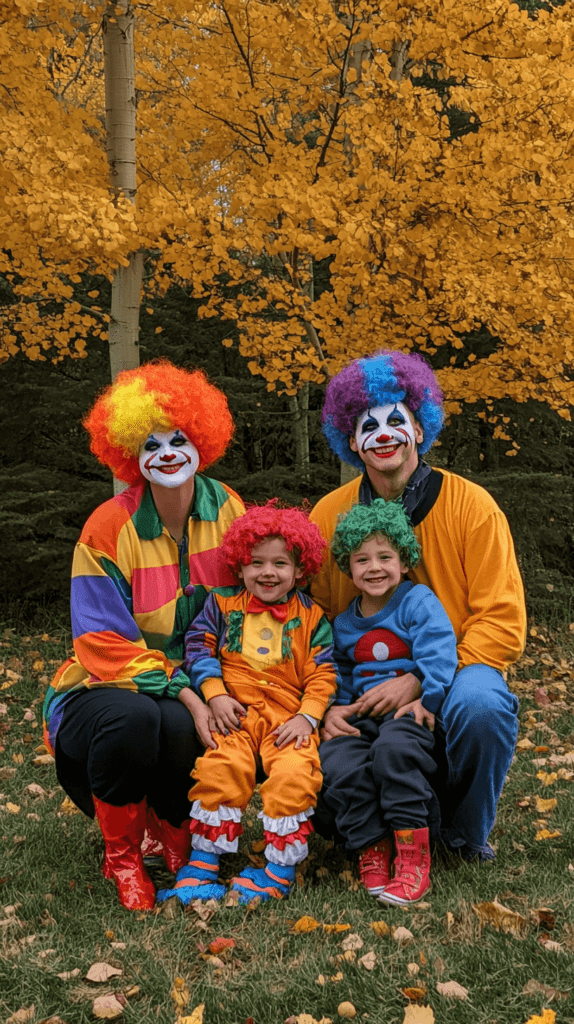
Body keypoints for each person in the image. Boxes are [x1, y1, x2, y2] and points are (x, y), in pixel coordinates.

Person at [42, 360, 245, 911]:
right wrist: (187, 690)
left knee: (179, 725)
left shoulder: (228, 509)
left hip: (199, 681)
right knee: (138, 717)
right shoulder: (107, 527)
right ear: (131, 454)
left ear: (203, 440)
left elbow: (247, 605)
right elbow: (100, 643)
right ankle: (124, 855)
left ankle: (176, 836)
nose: (168, 453)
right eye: (151, 444)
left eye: (180, 438)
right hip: (104, 690)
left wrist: (214, 691)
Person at [310, 349, 526, 861]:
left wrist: (426, 679)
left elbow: (502, 619)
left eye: (394, 420)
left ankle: (464, 836)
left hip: (456, 666)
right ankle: (367, 832)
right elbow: (313, 620)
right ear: (351, 439)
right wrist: (322, 701)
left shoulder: (472, 506)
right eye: (368, 425)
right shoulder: (328, 516)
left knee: (482, 703)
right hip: (359, 679)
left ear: (418, 426)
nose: (382, 434)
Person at [157, 502, 339, 906]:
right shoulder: (220, 605)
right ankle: (203, 863)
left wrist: (308, 718)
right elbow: (197, 649)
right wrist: (215, 693)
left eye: (280, 564)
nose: (267, 573)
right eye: (256, 563)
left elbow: (324, 673)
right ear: (239, 567)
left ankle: (278, 870)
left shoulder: (313, 618)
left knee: (294, 775)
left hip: (286, 719)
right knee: (221, 769)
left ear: (299, 570)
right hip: (233, 714)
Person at [320, 499, 457, 904]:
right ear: (348, 566)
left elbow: (439, 650)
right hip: (361, 715)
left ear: (403, 558)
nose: (374, 567)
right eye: (362, 559)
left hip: (406, 713)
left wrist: (427, 699)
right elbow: (340, 670)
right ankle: (373, 846)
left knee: (393, 754)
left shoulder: (417, 602)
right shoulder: (344, 623)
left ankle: (413, 854)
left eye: (385, 556)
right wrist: (337, 709)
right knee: (340, 762)